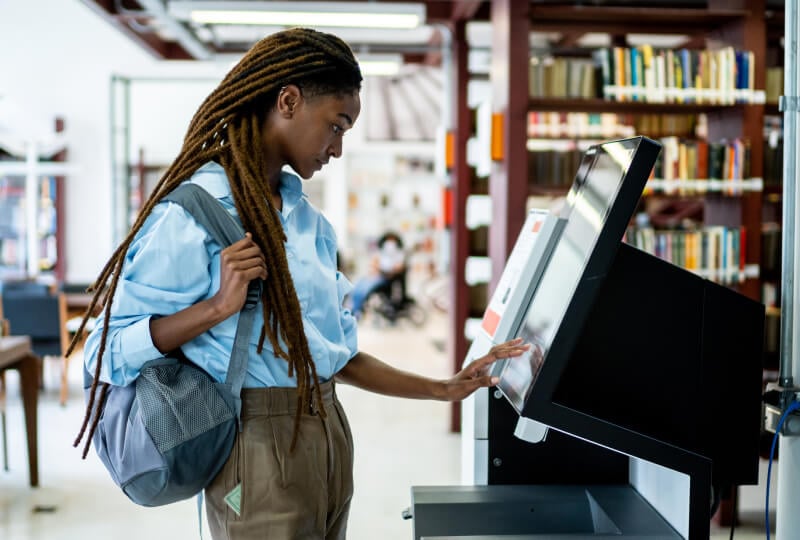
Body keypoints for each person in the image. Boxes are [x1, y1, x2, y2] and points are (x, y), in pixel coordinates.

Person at [70, 28, 529, 540]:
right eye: (336, 125)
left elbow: (332, 357)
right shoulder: (194, 214)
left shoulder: (309, 225)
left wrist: (443, 388)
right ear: (288, 101)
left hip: (329, 437)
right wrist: (216, 308)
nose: (337, 148)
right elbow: (105, 349)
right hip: (256, 451)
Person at [348, 231, 408, 319]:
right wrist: (376, 269)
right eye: (388, 240)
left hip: (385, 280)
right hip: (375, 277)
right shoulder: (381, 253)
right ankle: (355, 309)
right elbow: (374, 265)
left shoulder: (399, 255)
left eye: (392, 241)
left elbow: (398, 268)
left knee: (364, 290)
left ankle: (357, 312)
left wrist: (386, 270)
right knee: (357, 287)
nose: (390, 243)